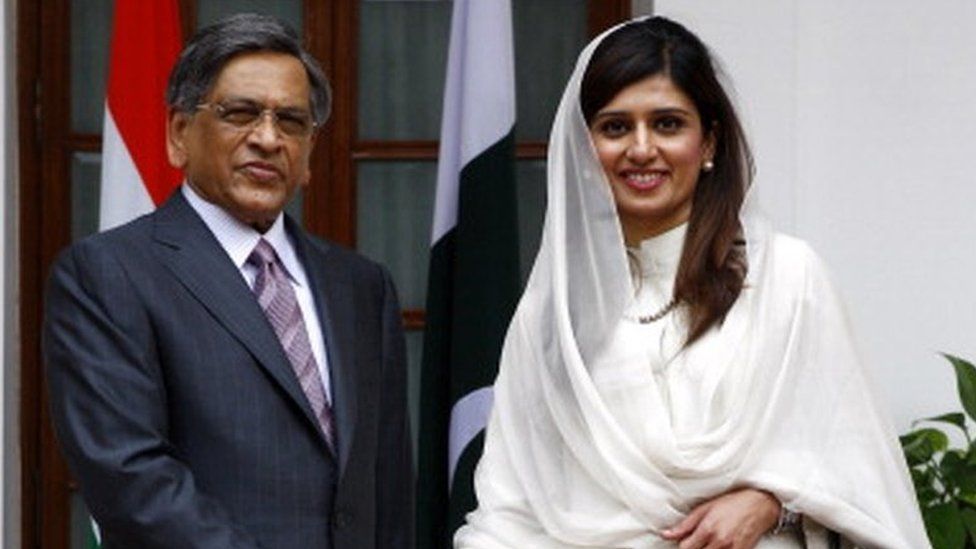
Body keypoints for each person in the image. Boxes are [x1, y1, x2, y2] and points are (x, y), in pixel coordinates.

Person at [455, 16, 929, 549]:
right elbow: (506, 508)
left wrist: (772, 502)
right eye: (615, 127)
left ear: (709, 142)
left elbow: (859, 472)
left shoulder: (787, 281)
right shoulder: (553, 315)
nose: (640, 149)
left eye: (667, 124)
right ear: (585, 149)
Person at [43, 13, 413, 549]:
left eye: (291, 122)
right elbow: (132, 481)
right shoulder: (106, 274)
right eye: (240, 114)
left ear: (309, 153)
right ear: (178, 134)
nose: (267, 138)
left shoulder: (361, 286)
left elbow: (388, 489)